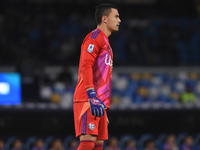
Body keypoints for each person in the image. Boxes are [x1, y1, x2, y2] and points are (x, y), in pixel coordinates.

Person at [73, 3, 121, 150]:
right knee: (88, 144)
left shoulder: (106, 42)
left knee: (98, 147)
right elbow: (86, 65)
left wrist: (103, 105)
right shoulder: (94, 37)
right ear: (104, 19)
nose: (119, 20)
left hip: (99, 103)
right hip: (88, 98)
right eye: (116, 16)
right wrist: (91, 95)